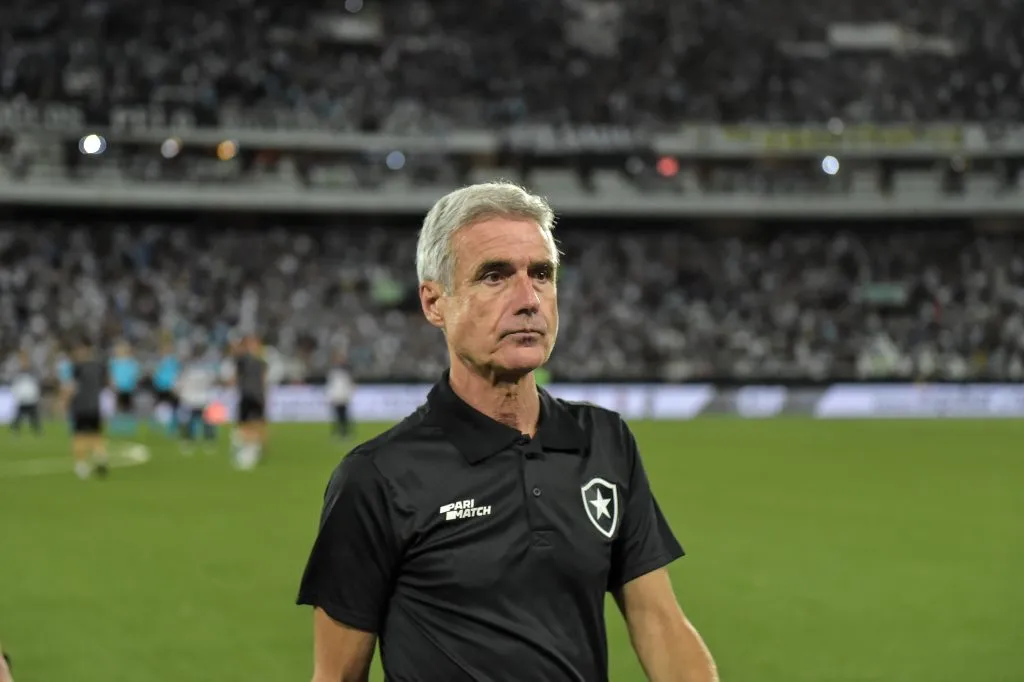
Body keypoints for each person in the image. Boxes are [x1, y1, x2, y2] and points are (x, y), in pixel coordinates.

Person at [296, 182, 718, 682]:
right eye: (495, 276)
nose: (528, 299)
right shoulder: (377, 478)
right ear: (435, 304)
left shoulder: (605, 441)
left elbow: (659, 621)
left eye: (542, 274)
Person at [69, 340, 109, 479]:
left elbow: (72, 387)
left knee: (79, 436)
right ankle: (101, 457)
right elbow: (106, 384)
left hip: (81, 406)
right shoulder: (98, 366)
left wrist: (65, 401)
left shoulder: (78, 367)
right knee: (95, 435)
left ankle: (81, 466)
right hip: (95, 405)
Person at [232, 335, 268, 470]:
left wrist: (264, 395)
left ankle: (255, 449)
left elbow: (263, 380)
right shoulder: (244, 360)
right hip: (247, 394)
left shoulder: (260, 361)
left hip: (255, 395)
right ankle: (248, 448)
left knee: (257, 423)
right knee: (245, 424)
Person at [177, 346, 218, 454]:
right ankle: (209, 441)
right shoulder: (206, 369)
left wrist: (180, 394)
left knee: (190, 421)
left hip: (190, 399)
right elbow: (212, 382)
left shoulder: (187, 369)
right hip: (203, 398)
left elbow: (179, 384)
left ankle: (189, 441)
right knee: (205, 421)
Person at [108, 341, 140, 437]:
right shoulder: (114, 362)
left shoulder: (132, 362)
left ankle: (130, 426)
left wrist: (134, 383)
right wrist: (113, 384)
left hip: (129, 387)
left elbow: (135, 374)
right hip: (118, 387)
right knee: (118, 406)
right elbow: (111, 375)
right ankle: (116, 426)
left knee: (129, 407)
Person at [152, 340, 182, 436]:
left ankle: (170, 427)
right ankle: (163, 426)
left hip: (168, 386)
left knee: (170, 407)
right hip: (163, 386)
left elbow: (176, 374)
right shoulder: (164, 361)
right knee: (165, 407)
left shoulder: (171, 361)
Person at [9, 352, 41, 436]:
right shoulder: (18, 374)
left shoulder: (32, 373)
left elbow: (35, 385)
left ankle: (37, 430)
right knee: (19, 416)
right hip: (22, 398)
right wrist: (17, 395)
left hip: (31, 398)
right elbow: (15, 386)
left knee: (33, 416)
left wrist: (35, 395)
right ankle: (15, 430)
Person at [325, 350, 355, 440]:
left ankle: (345, 433)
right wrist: (330, 396)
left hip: (343, 397)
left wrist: (348, 395)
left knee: (344, 416)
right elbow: (331, 386)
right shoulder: (333, 372)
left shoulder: (346, 372)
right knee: (336, 416)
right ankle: (338, 433)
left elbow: (349, 385)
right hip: (336, 397)